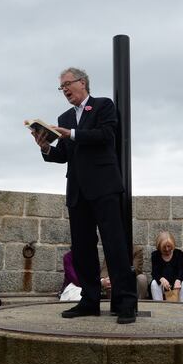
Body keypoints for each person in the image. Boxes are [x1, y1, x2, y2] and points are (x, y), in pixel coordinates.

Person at [30, 67, 137, 324]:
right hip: (77, 191)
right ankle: (89, 300)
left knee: (115, 246)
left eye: (67, 84)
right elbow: (64, 154)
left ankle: (125, 303)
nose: (65, 90)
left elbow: (106, 136)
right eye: (61, 87)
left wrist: (73, 134)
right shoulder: (64, 116)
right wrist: (46, 147)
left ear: (83, 83)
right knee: (82, 249)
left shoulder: (103, 106)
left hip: (104, 187)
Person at [149, 231, 183, 302]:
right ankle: (159, 307)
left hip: (176, 286)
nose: (167, 249)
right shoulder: (155, 255)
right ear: (159, 246)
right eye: (164, 247)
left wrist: (178, 280)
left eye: (169, 246)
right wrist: (161, 279)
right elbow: (154, 273)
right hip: (162, 286)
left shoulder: (178, 254)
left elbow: (182, 271)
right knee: (154, 283)